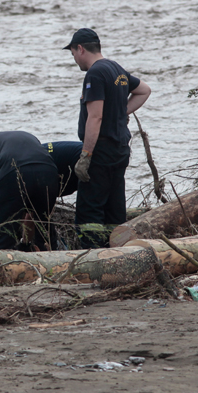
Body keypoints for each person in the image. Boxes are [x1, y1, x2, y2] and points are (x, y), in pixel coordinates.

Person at [64, 28, 151, 249]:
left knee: (89, 211)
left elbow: (95, 117)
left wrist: (85, 156)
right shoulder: (116, 69)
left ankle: (92, 258)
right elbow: (144, 90)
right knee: (114, 208)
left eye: (73, 53)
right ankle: (119, 253)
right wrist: (121, 112)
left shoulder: (94, 73)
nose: (74, 58)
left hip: (100, 153)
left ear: (80, 49)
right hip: (120, 150)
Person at [0, 131, 59, 251]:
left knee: (2, 232)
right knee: (43, 223)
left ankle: (0, 264)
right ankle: (53, 261)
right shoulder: (22, 137)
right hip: (49, 171)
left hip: (16, 171)